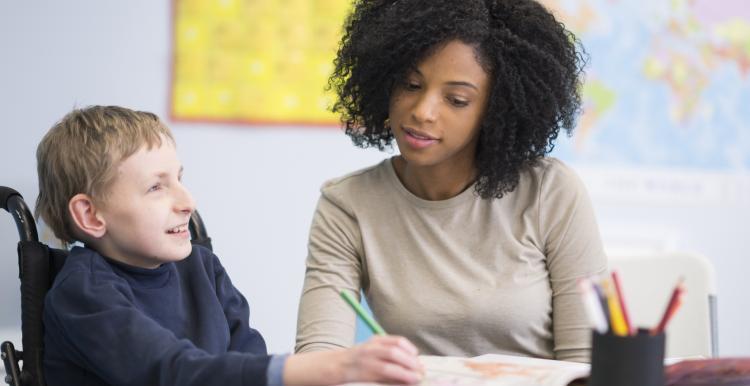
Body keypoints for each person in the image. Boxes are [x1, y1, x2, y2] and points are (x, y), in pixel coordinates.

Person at [295, 0, 607, 363]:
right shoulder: (348, 205)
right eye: (411, 84)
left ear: (497, 109)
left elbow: (587, 364)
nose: (422, 111)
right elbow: (318, 359)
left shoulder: (550, 193)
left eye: (456, 100)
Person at [36, 105, 423, 386]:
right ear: (90, 215)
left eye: (179, 178)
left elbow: (247, 359)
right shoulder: (82, 293)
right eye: (156, 186)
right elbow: (173, 372)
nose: (187, 200)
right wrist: (333, 367)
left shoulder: (201, 267)